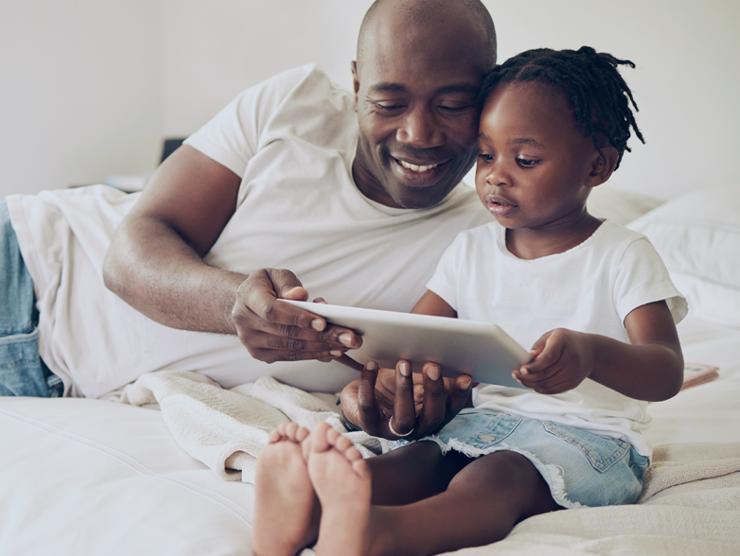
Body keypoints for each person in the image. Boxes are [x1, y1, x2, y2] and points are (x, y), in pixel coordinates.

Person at [252, 46, 687, 556]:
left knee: (496, 478)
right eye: (485, 155)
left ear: (598, 166)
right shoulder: (469, 251)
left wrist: (591, 354)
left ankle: (377, 536)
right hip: (477, 422)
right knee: (416, 460)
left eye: (524, 160)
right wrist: (350, 341)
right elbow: (410, 343)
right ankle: (307, 515)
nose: (495, 175)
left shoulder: (622, 254)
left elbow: (666, 372)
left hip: (585, 440)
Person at [0, 0, 494, 429]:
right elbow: (128, 254)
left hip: (58, 380)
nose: (418, 133)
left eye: (452, 105)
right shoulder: (292, 104)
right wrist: (234, 302)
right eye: (389, 102)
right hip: (32, 267)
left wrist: (390, 411)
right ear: (357, 87)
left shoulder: (490, 237)